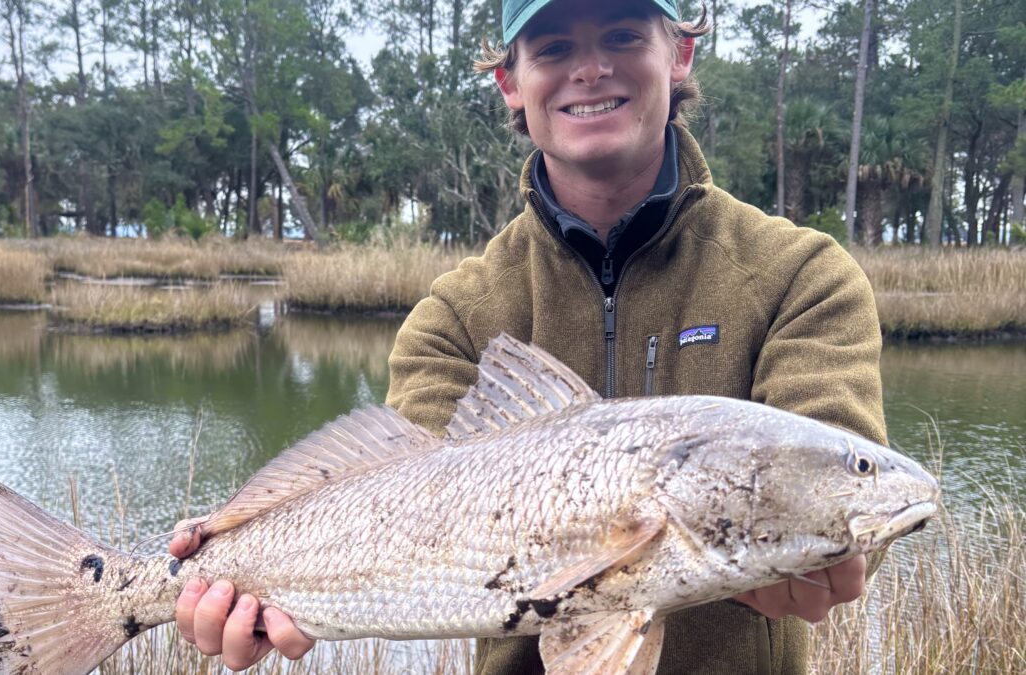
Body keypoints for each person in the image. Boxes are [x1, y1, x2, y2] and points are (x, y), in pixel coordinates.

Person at [171, 0, 887, 672]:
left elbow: (840, 477)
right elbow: (394, 506)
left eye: (623, 35)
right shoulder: (454, 318)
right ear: (510, 81)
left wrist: (835, 549)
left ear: (681, 53)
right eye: (553, 46)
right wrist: (245, 558)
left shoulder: (804, 275)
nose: (590, 68)